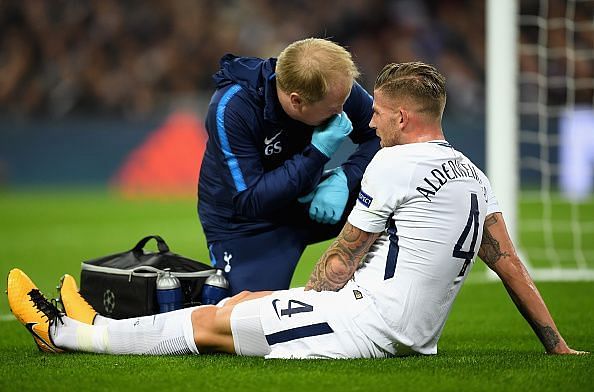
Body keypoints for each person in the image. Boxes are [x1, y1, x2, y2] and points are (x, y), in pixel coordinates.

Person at [8, 61, 586, 358]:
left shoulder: (391, 164)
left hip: (367, 328)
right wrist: (554, 343)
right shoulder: (473, 175)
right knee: (241, 302)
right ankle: (97, 322)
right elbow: (506, 260)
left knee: (216, 324)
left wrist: (302, 302)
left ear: (403, 119)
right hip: (388, 320)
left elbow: (340, 260)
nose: (371, 122)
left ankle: (67, 334)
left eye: (379, 114)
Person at [198, 38, 380, 294]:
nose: (342, 112)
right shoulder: (231, 108)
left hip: (312, 198)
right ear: (296, 101)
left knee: (403, 185)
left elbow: (383, 136)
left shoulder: (334, 88)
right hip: (248, 226)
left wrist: (345, 178)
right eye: (333, 109)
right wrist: (318, 153)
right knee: (248, 324)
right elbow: (249, 199)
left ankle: (376, 298)